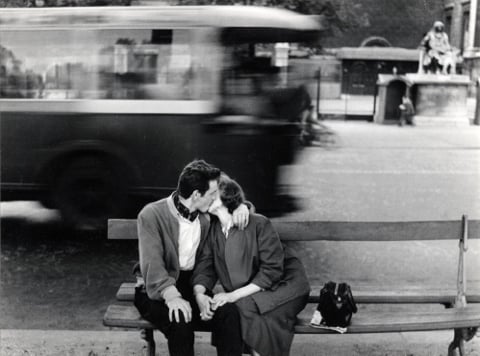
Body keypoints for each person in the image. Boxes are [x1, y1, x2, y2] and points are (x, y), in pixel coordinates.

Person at [134, 159, 250, 356]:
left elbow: (205, 262)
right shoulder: (152, 214)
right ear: (197, 195)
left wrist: (241, 207)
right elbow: (153, 264)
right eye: (212, 194)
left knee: (228, 313)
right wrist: (172, 297)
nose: (215, 199)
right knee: (180, 320)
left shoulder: (205, 217)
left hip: (191, 286)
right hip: (155, 290)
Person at [193, 176, 310, 356]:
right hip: (253, 290)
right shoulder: (213, 228)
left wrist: (232, 295)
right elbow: (206, 267)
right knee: (231, 309)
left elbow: (272, 271)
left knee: (241, 308)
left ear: (224, 198)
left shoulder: (258, 223)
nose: (204, 198)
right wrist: (200, 294)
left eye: (210, 194)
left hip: (285, 285)